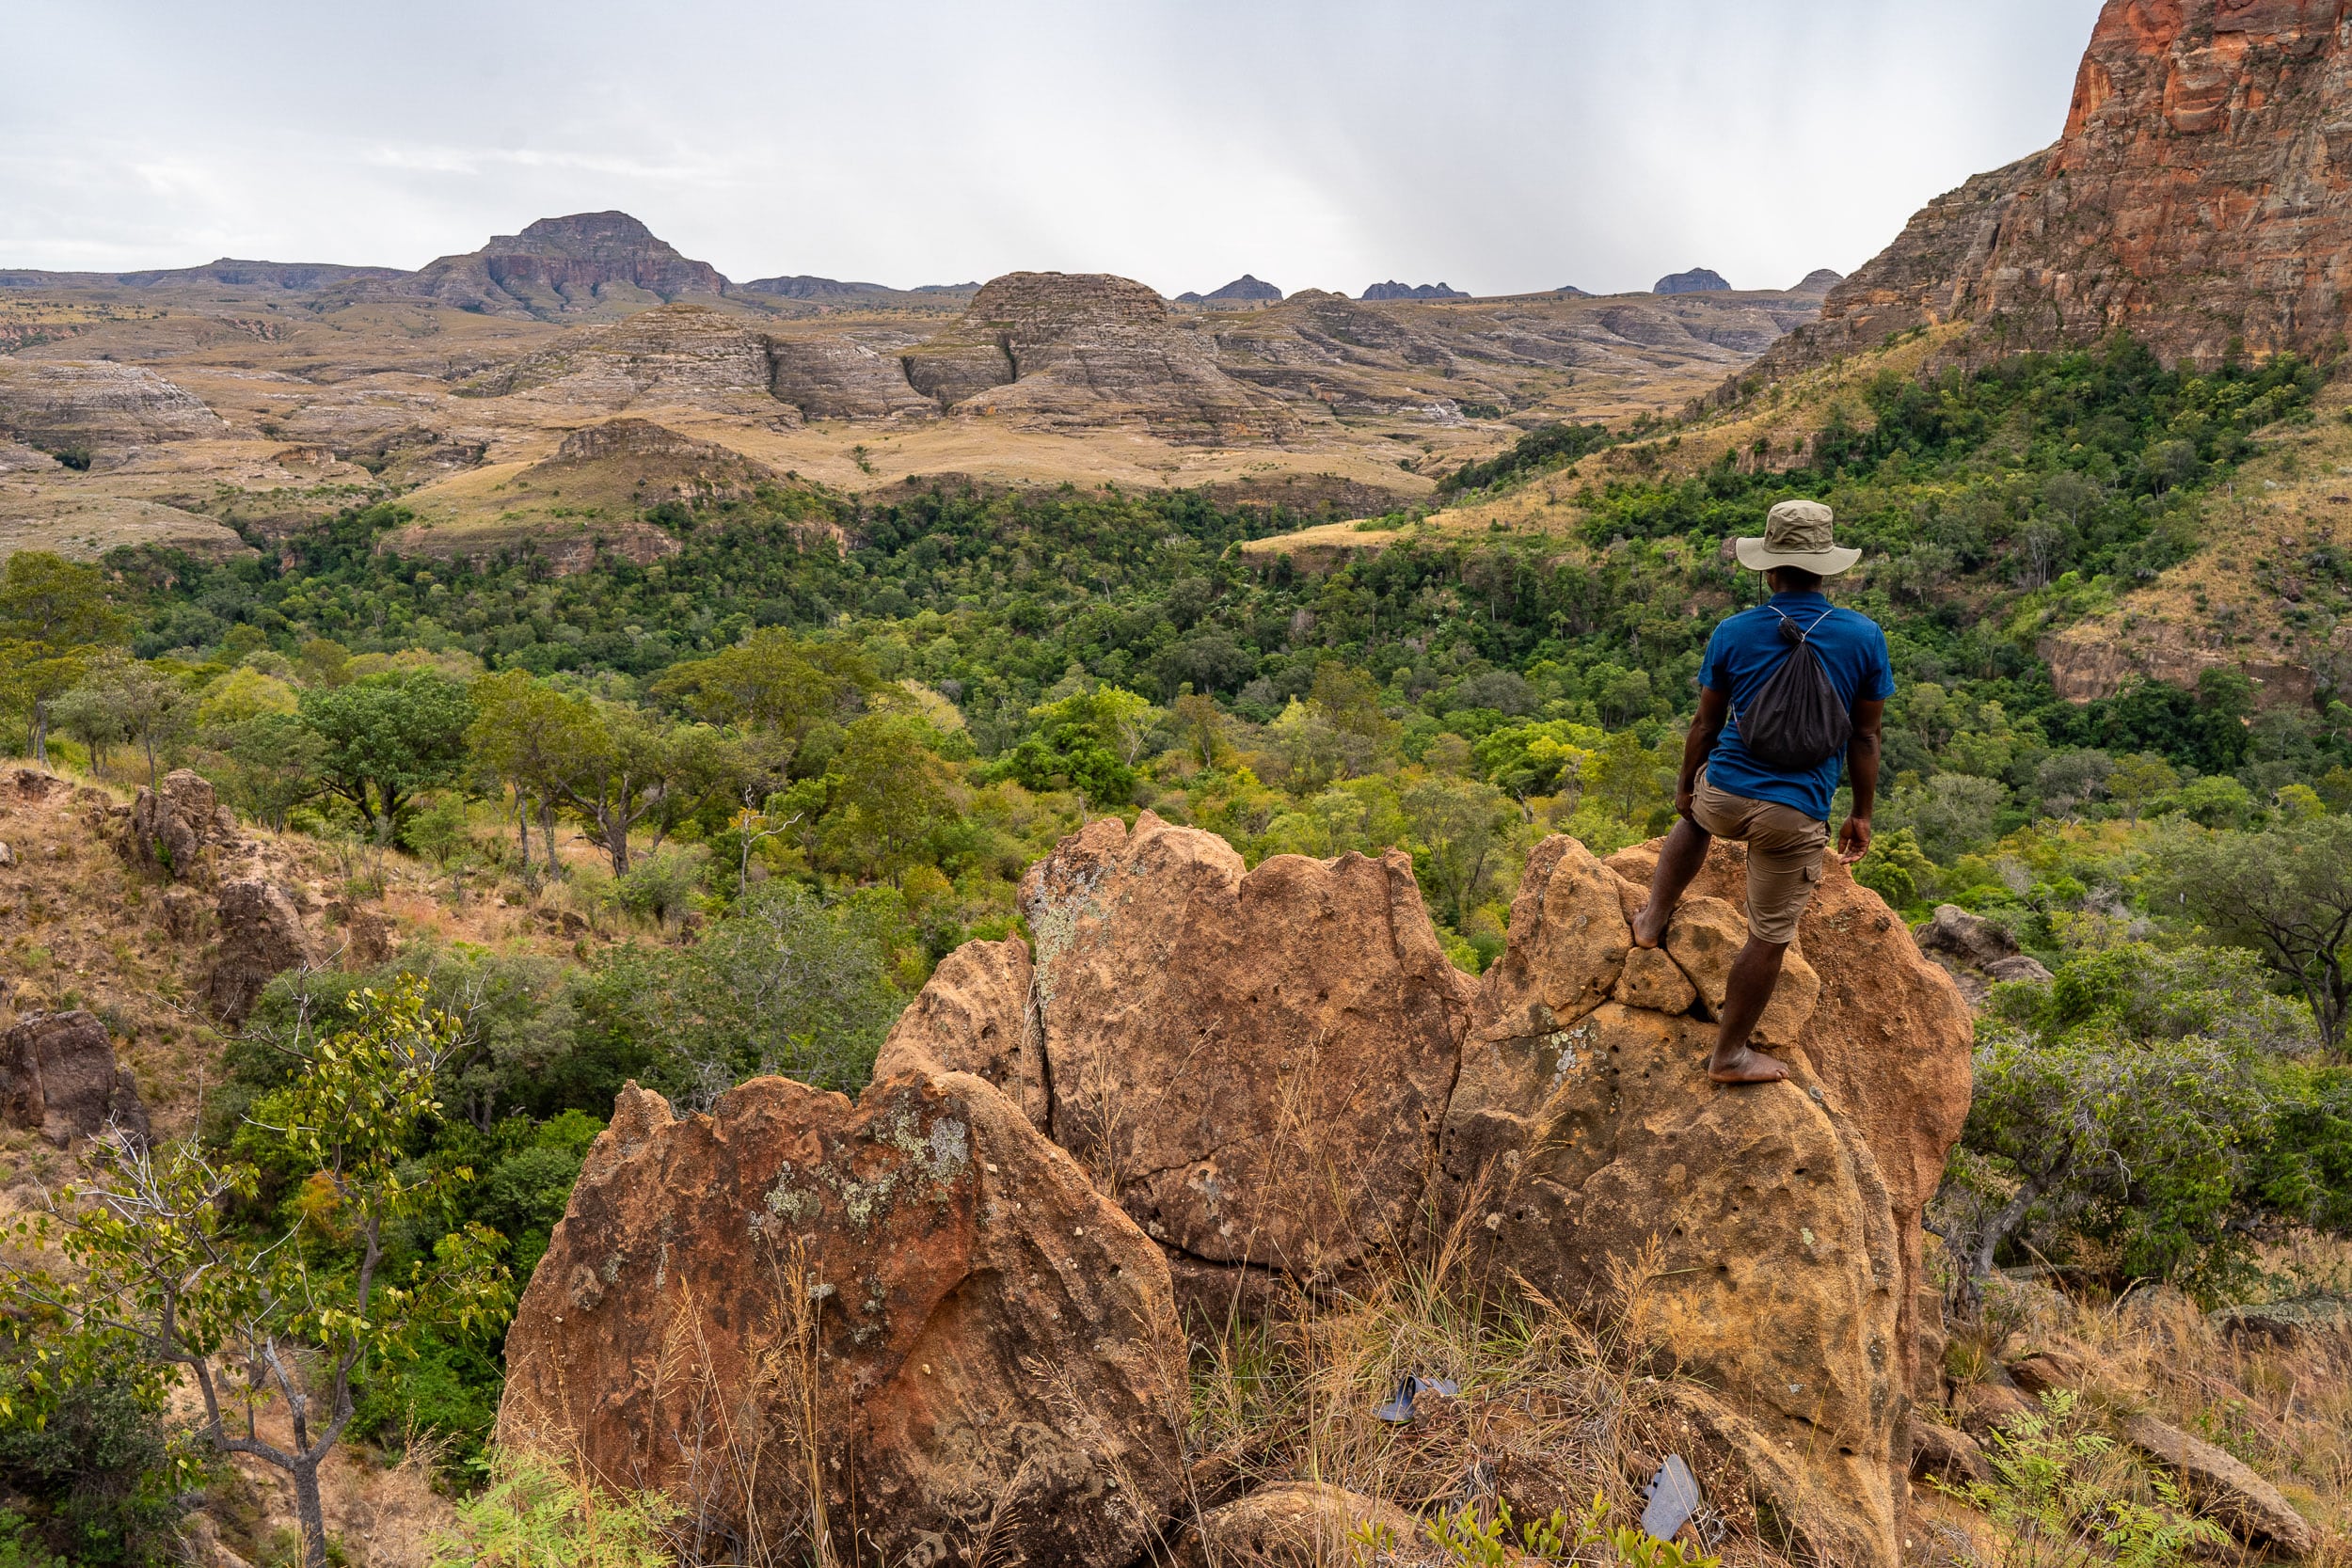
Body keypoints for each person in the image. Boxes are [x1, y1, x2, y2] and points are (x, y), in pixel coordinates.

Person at [1630, 499, 1891, 1085]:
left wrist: (1686, 792)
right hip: (1793, 816)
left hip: (1721, 794)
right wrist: (1862, 814)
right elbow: (1866, 736)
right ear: (1825, 570)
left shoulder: (1734, 632)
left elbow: (1706, 725)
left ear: (1768, 570)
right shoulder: (1864, 637)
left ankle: (1651, 919)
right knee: (1768, 936)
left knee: (1696, 819)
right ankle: (1728, 1055)